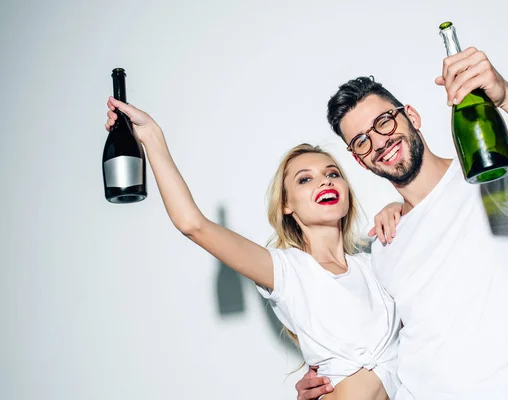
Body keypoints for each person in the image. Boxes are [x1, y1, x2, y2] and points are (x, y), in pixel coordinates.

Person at [295, 46, 508, 400]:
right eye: (362, 141)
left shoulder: (492, 174)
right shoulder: (381, 242)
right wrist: (327, 379)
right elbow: (377, 349)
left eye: (383, 122)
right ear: (359, 161)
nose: (379, 142)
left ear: (412, 116)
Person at [103, 97, 408, 400]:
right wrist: (151, 135)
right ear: (286, 204)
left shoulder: (374, 261)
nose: (324, 182)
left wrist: (402, 208)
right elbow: (192, 224)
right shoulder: (286, 271)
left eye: (332, 174)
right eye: (305, 179)